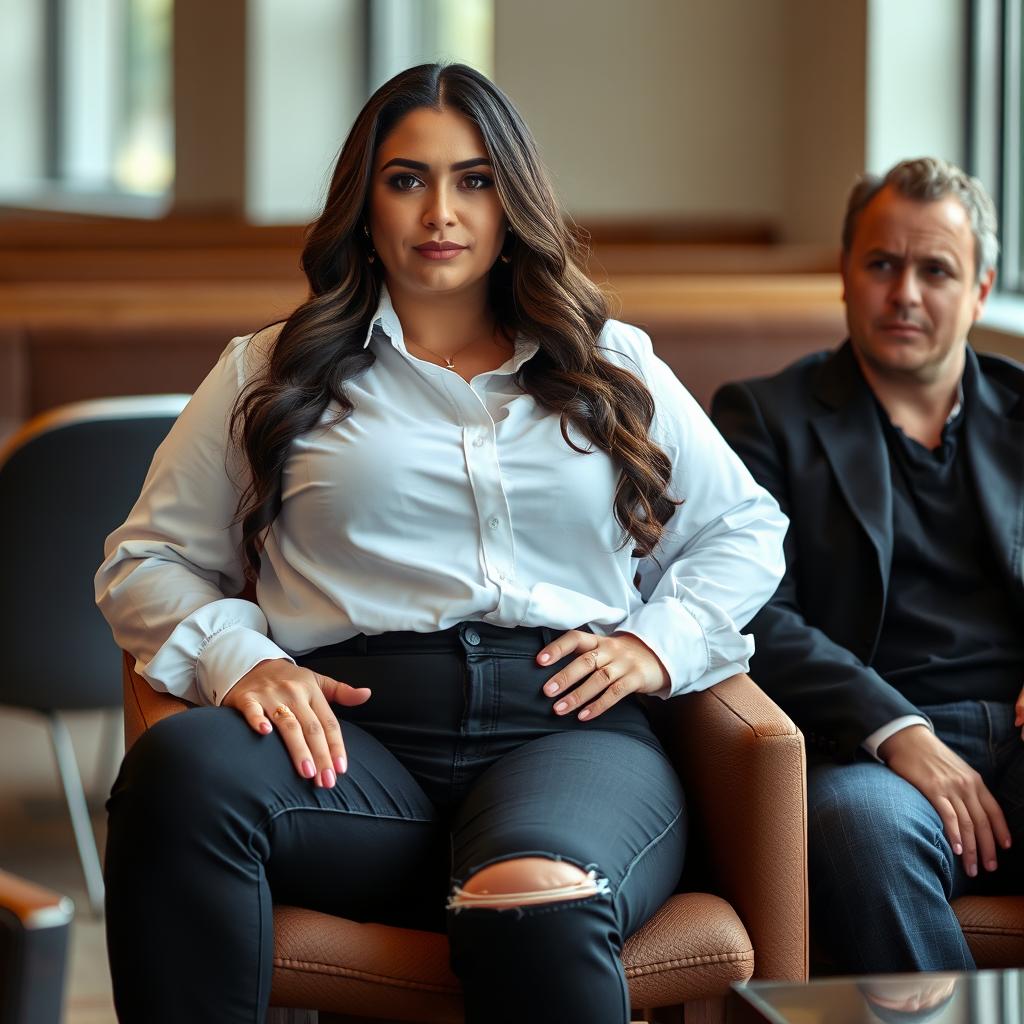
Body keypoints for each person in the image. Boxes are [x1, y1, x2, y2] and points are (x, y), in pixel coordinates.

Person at [96, 63, 786, 1024]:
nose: (440, 213)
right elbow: (143, 560)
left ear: (512, 203)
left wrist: (655, 643)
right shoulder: (268, 369)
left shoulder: (610, 361)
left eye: (473, 180)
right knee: (178, 777)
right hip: (352, 747)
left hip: (568, 733)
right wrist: (238, 655)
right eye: (406, 178)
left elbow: (744, 527)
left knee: (531, 902)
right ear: (364, 204)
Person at [711, 156, 1024, 975]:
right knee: (859, 831)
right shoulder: (764, 419)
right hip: (873, 748)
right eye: (882, 264)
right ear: (846, 274)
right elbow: (752, 612)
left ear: (982, 290)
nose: (906, 294)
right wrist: (899, 729)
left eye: (936, 271)